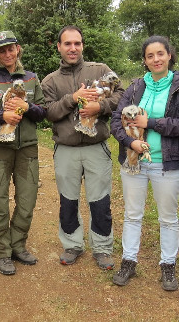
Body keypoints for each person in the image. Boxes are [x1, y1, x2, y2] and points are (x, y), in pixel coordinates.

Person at [110, 36, 179, 290]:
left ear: (169, 55)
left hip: (166, 162)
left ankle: (168, 266)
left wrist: (151, 123)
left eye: (160, 54)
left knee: (168, 218)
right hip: (134, 161)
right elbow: (116, 120)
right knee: (132, 214)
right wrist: (130, 143)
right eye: (150, 56)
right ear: (145, 61)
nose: (155, 59)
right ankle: (128, 261)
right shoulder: (136, 87)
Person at [41, 25, 124, 270]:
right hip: (66, 148)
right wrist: (72, 99)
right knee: (68, 200)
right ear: (59, 47)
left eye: (77, 43)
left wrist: (101, 107)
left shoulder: (100, 70)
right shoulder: (50, 81)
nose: (73, 48)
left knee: (100, 200)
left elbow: (122, 94)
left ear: (82, 45)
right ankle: (72, 244)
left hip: (96, 146)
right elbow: (49, 113)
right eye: (67, 44)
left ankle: (102, 247)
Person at [0, 31, 47, 275]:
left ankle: (18, 245)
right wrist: (1, 115)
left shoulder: (31, 78)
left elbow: (43, 113)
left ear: (18, 49)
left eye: (10, 49)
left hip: (27, 148)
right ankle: (2, 252)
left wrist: (28, 107)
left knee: (27, 201)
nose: (7, 54)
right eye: (1, 50)